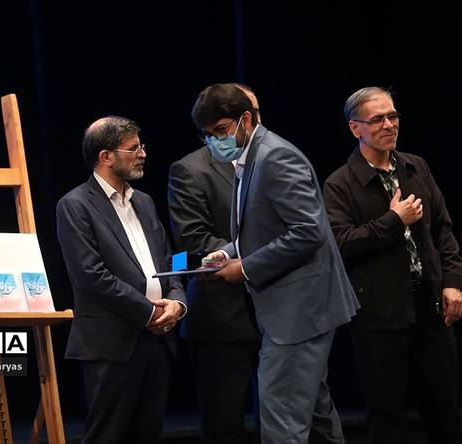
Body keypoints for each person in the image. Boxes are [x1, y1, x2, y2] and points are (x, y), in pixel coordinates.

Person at [192, 83, 359, 444]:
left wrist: (245, 268)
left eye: (221, 130)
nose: (216, 141)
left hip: (299, 313)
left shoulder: (275, 157)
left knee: (281, 421)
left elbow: (308, 232)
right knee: (316, 416)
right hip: (293, 311)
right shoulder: (250, 157)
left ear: (245, 119)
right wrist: (229, 252)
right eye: (208, 135)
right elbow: (266, 226)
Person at [323, 86, 462, 444]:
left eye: (393, 116)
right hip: (379, 316)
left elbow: (443, 230)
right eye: (377, 119)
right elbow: (341, 244)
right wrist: (393, 221)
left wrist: (453, 281)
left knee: (445, 412)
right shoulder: (340, 183)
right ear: (355, 128)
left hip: (430, 307)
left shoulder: (415, 166)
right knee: (387, 418)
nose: (389, 125)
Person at [56, 116, 187, 444]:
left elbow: (171, 260)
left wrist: (178, 301)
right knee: (107, 436)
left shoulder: (144, 201)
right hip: (112, 343)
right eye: (133, 148)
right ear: (106, 157)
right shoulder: (75, 205)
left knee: (148, 435)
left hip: (157, 340)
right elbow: (91, 276)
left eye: (142, 146)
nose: (143, 154)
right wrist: (149, 311)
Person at [167, 83, 261, 444]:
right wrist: (259, 258)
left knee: (283, 421)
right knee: (225, 425)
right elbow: (192, 240)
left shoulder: (272, 161)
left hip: (275, 310)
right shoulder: (190, 169)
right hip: (222, 316)